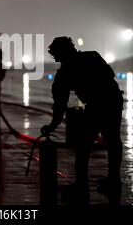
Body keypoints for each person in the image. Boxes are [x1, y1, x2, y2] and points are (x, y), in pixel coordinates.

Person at [42, 36, 123, 204]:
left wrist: (52, 126)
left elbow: (59, 104)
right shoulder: (92, 56)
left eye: (56, 54)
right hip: (112, 100)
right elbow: (109, 74)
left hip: (100, 104)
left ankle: (82, 183)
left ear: (62, 53)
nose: (56, 59)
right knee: (112, 140)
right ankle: (114, 180)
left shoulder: (64, 75)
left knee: (83, 145)